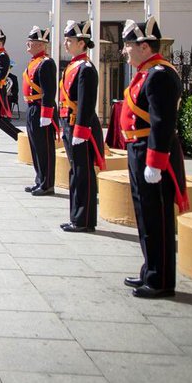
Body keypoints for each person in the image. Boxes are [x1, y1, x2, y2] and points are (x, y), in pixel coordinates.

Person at [120, 16, 188, 299]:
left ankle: (161, 280)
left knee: (157, 217)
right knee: (145, 215)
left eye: (128, 45)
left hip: (151, 152)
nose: (124, 51)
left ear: (144, 46)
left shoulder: (159, 74)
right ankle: (150, 269)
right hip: (139, 149)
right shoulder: (148, 72)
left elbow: (162, 121)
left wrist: (155, 162)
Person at [59, 20, 106, 230]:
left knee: (83, 173)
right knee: (76, 171)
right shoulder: (73, 66)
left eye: (70, 40)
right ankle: (76, 217)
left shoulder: (86, 68)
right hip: (70, 124)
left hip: (80, 126)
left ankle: (84, 220)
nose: (65, 43)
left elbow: (87, 103)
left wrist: (80, 130)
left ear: (82, 43)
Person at [21, 27, 58, 197]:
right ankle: (39, 180)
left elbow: (49, 91)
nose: (27, 45)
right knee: (35, 147)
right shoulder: (34, 61)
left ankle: (47, 184)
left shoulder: (46, 62)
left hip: (41, 108)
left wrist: (46, 114)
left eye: (31, 42)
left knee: (45, 149)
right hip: (32, 108)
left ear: (40, 44)